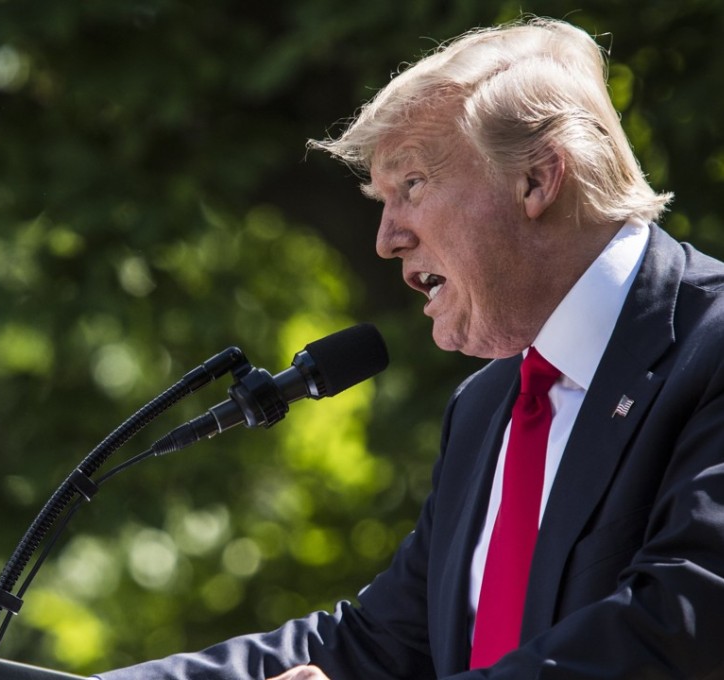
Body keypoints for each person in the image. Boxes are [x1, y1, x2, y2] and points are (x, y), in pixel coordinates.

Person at [95, 17, 724, 679]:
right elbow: (380, 645)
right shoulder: (485, 407)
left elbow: (682, 627)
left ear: (539, 179)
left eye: (412, 186)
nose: (387, 237)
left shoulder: (711, 351)